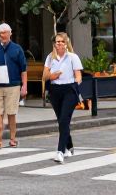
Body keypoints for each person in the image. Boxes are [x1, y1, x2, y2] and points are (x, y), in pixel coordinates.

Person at [0, 23, 28, 149]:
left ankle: (13, 139)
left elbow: (23, 70)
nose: (3, 35)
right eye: (1, 33)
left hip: (13, 85)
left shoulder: (17, 49)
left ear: (10, 33)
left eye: (5, 32)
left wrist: (24, 86)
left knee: (11, 113)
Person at [42, 32, 83, 164]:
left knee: (64, 119)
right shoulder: (50, 57)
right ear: (54, 44)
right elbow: (44, 76)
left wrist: (75, 84)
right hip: (55, 91)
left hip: (69, 90)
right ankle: (69, 146)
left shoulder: (73, 57)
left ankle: (60, 151)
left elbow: (79, 76)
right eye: (57, 41)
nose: (59, 43)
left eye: (62, 41)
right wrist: (52, 76)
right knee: (62, 120)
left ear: (66, 44)